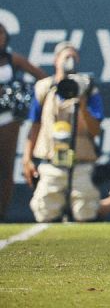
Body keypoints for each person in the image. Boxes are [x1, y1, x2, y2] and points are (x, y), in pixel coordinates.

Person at [23, 43, 110, 223]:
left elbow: (95, 129)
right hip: (52, 161)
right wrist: (27, 158)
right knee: (45, 214)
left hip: (81, 162)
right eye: (66, 57)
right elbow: (34, 125)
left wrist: (82, 104)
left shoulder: (87, 88)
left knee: (85, 214)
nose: (70, 61)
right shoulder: (43, 88)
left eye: (74, 57)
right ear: (55, 60)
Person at [0, 24, 45, 217]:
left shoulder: (12, 59)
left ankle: (2, 213)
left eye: (0, 33)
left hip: (7, 119)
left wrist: (17, 90)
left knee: (5, 168)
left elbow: (42, 78)